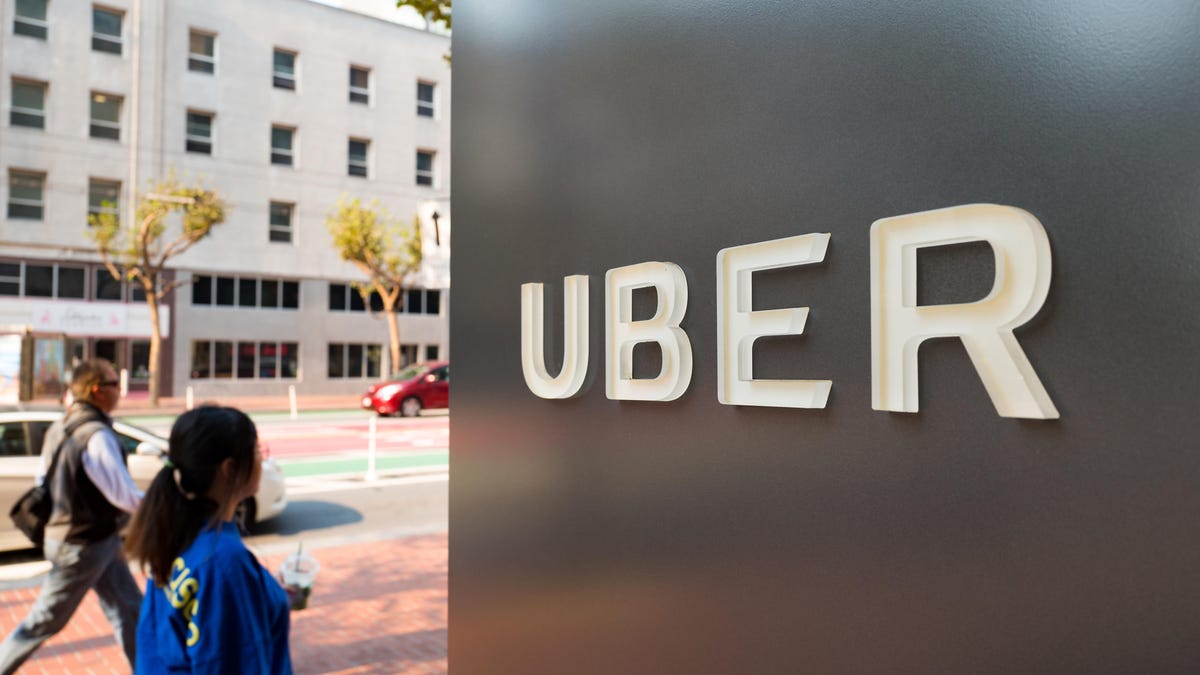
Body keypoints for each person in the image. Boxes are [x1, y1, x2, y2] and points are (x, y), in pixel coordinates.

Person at [0, 359, 143, 674]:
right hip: (83, 545)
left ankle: (146, 667)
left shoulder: (61, 425)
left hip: (85, 539)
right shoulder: (96, 435)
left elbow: (43, 481)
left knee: (129, 609)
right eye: (114, 384)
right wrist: (166, 503)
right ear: (97, 391)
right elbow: (126, 496)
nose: (119, 391)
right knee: (44, 621)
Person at [125, 406, 293, 674]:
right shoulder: (223, 562)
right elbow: (234, 662)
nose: (262, 460)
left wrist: (268, 594)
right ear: (229, 468)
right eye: (256, 452)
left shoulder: (177, 532)